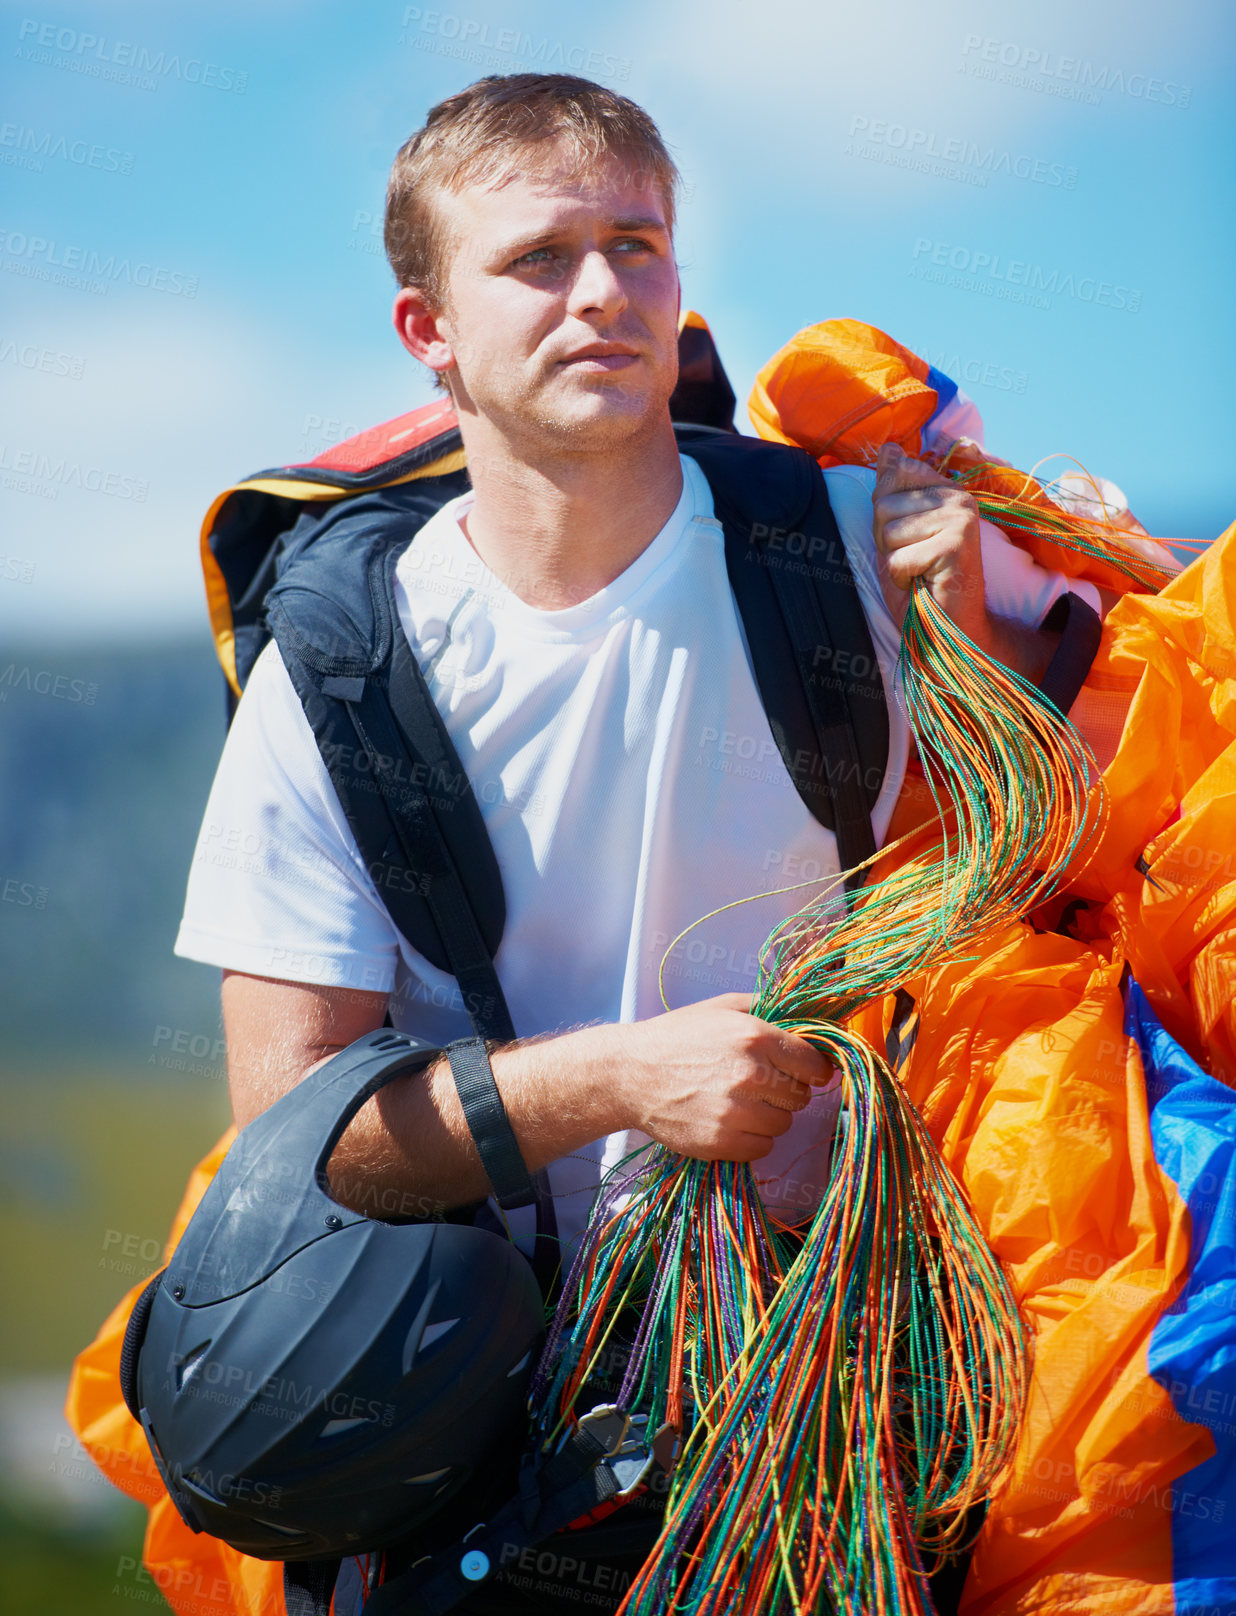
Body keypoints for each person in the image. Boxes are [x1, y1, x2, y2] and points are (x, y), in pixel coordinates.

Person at [175, 73, 1099, 1297]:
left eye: (635, 245)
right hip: (514, 1380)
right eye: (541, 259)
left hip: (862, 1319)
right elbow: (299, 1143)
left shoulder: (865, 545)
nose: (603, 290)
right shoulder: (341, 669)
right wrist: (617, 1078)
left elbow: (1080, 873)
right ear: (428, 329)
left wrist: (969, 632)